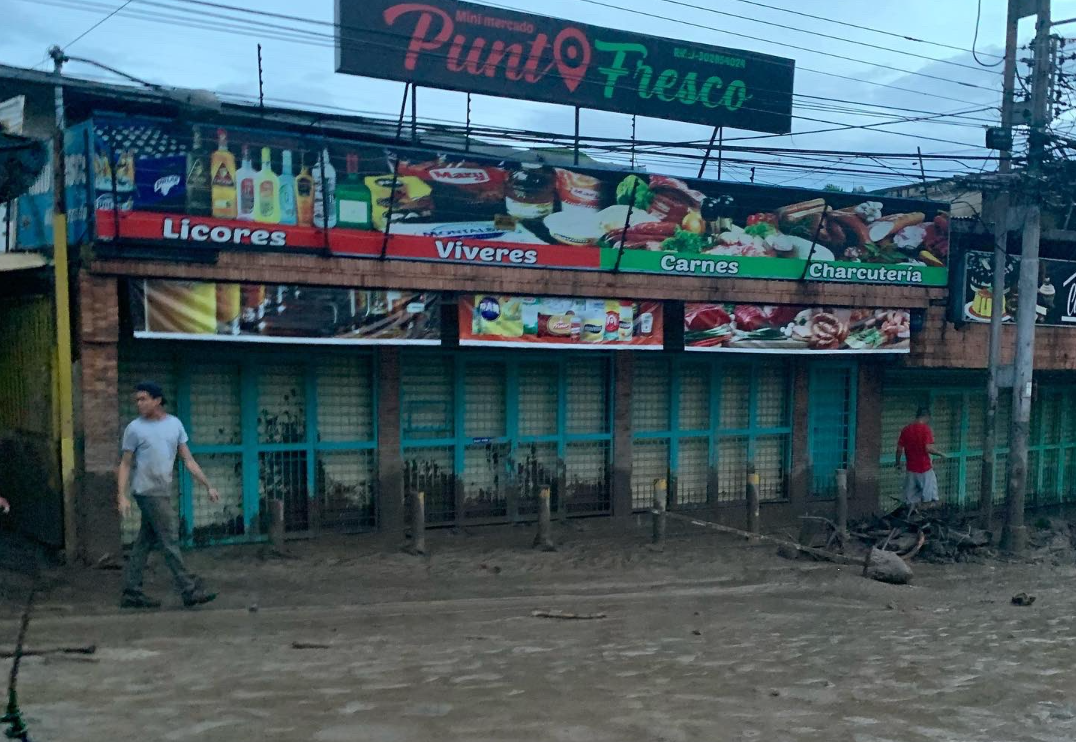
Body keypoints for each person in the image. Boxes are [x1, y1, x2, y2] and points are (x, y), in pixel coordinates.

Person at [118, 381, 219, 609]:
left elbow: (188, 459)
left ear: (157, 400)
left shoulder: (174, 425)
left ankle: (131, 591)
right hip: (146, 492)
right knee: (169, 539)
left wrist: (208, 485)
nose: (139, 404)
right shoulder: (134, 429)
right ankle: (188, 589)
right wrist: (121, 495)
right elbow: (125, 464)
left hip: (162, 491)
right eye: (137, 400)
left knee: (145, 542)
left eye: (143, 399)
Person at [895, 406, 945, 509]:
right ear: (926, 417)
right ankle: (926, 516)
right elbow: (928, 448)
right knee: (930, 498)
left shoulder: (906, 429)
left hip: (911, 469)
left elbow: (899, 449)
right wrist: (941, 454)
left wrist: (898, 463)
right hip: (924, 468)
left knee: (910, 499)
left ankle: (911, 518)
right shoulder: (926, 429)